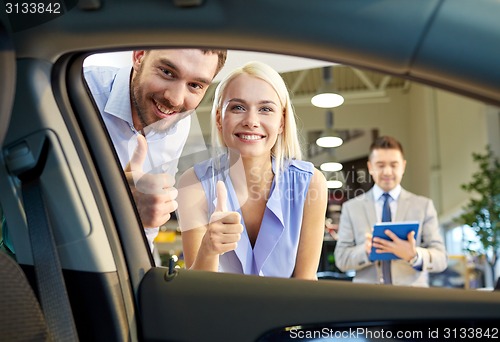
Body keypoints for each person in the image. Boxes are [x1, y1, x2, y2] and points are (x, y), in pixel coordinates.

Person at [176, 61, 327, 279]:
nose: (251, 121)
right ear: (219, 119)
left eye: (265, 109)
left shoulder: (311, 183)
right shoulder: (193, 184)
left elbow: (306, 283)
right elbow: (197, 291)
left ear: (282, 122)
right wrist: (209, 249)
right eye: (238, 107)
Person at [84, 49, 227, 251]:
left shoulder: (178, 122)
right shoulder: (79, 91)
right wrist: (119, 202)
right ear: (139, 56)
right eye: (167, 72)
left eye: (195, 85)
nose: (176, 100)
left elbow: (147, 226)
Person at [334, 136, 447, 286]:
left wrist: (413, 255)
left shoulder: (423, 206)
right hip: (367, 300)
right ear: (370, 167)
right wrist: (366, 251)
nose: (387, 172)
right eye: (380, 165)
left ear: (403, 166)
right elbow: (341, 259)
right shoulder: (351, 208)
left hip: (412, 300)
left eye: (394, 165)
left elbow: (441, 258)